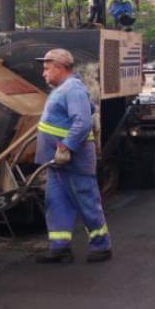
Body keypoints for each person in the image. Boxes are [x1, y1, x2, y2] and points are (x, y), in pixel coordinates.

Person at [34, 48, 112, 263]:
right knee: (56, 202)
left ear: (59, 68)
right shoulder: (64, 88)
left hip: (72, 159)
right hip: (58, 161)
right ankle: (60, 247)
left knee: (86, 201)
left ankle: (101, 246)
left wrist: (66, 146)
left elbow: (83, 122)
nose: (44, 74)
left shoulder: (73, 89)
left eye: (47, 69)